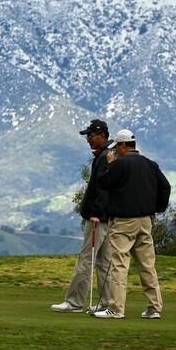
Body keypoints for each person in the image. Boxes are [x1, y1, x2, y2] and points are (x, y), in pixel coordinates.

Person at [94, 129, 170, 319]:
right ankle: (154, 308)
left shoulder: (121, 164)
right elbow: (165, 187)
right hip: (145, 221)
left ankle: (116, 309)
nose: (116, 152)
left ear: (122, 145)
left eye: (117, 148)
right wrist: (157, 208)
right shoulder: (150, 164)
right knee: (147, 265)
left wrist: (108, 166)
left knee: (119, 264)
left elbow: (103, 182)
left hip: (124, 222)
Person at [51, 119, 113, 313]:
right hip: (108, 218)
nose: (88, 139)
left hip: (98, 219)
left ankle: (74, 302)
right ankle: (106, 303)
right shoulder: (107, 154)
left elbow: (104, 188)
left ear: (102, 135)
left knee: (86, 259)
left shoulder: (105, 156)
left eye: (90, 135)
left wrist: (95, 213)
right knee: (104, 262)